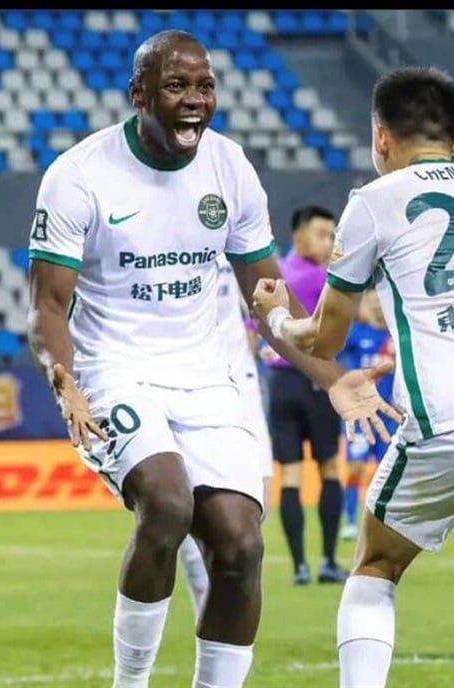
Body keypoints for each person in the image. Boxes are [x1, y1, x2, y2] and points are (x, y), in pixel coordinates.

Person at [26, 29, 400, 688]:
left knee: (241, 546)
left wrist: (330, 375)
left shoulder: (228, 167)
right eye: (177, 86)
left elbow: (268, 298)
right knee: (167, 504)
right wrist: (65, 383)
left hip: (209, 376)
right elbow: (48, 308)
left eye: (206, 86)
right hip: (115, 369)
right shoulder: (79, 177)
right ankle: (131, 683)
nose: (195, 100)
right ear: (139, 93)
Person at [253, 65, 454, 688]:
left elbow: (325, 337)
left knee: (376, 565)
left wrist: (275, 318)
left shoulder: (374, 202)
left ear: (381, 138)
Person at [253, 206, 349, 585]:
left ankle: (299, 568)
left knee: (290, 475)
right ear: (299, 237)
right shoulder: (323, 278)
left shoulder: (271, 277)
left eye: (332, 236)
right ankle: (328, 561)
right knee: (329, 468)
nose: (329, 243)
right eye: (322, 235)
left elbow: (254, 328)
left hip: (280, 384)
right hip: (315, 382)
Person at [177, 254, 275, 622]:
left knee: (256, 508)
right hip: (187, 384)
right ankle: (211, 622)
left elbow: (262, 299)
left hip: (242, 384)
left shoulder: (233, 242)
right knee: (194, 509)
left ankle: (222, 620)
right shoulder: (161, 246)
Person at [338, 289, 396, 541]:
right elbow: (333, 357)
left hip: (391, 417)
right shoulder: (356, 334)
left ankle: (385, 522)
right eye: (372, 303)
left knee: (388, 471)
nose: (377, 308)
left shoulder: (396, 336)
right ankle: (350, 521)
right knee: (356, 467)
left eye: (380, 303)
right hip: (361, 415)